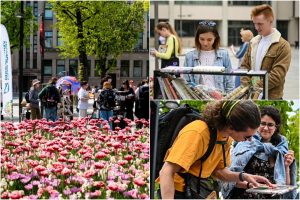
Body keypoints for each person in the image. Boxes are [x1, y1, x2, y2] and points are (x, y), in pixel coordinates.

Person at [158, 100, 274, 199]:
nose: (249, 141)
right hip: (176, 192)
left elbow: (219, 172)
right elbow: (166, 172)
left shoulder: (226, 138)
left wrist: (244, 177)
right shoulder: (198, 132)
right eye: (247, 136)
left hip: (196, 192)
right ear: (231, 126)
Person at [222, 106, 297, 199]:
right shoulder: (244, 143)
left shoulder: (280, 149)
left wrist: (286, 166)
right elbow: (231, 179)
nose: (266, 128)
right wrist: (250, 185)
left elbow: (285, 185)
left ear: (276, 127)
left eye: (270, 125)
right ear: (257, 125)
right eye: (263, 123)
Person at [240, 4, 291, 99]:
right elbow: (244, 66)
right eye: (254, 23)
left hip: (271, 98)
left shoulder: (283, 45)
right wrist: (247, 88)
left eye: (260, 24)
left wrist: (255, 88)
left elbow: (277, 75)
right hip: (250, 96)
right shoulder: (253, 42)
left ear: (270, 21)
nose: (256, 27)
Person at [184, 21, 234, 94]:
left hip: (219, 99)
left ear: (215, 38)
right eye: (202, 39)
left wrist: (227, 100)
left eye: (209, 40)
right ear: (197, 38)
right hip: (198, 98)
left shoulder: (224, 55)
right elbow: (186, 82)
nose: (205, 43)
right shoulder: (190, 56)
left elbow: (229, 81)